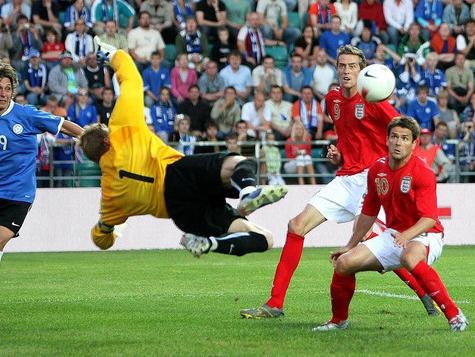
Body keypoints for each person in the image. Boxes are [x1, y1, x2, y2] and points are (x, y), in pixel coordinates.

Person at [240, 45, 438, 319]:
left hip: (370, 178)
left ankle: (422, 291)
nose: (346, 71)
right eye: (342, 65)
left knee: (369, 238)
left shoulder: (375, 100)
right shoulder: (332, 100)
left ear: (363, 70)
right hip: (345, 177)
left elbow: (405, 135)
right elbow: (349, 137)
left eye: (352, 66)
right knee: (296, 226)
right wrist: (339, 153)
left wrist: (400, 173)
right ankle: (274, 304)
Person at [80, 37, 288, 259]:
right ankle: (247, 192)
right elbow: (132, 79)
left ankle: (211, 243)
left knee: (264, 238)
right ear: (107, 141)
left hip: (180, 212)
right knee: (239, 162)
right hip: (178, 174)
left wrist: (108, 228)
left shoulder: (110, 196)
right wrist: (112, 55)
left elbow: (100, 240)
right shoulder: (121, 130)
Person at [313, 116, 467, 332]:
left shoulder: (423, 172)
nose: (398, 142)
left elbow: (430, 218)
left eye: (404, 138)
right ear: (387, 140)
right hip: (394, 235)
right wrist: (350, 245)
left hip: (425, 234)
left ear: (414, 144)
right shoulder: (377, 170)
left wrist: (407, 236)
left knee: (409, 257)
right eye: (394, 136)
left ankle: (454, 315)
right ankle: (338, 321)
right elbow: (368, 212)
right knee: (344, 264)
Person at [0, 62, 83, 264]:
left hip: (18, 194)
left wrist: (89, 137)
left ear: (12, 91)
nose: (3, 93)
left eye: (7, 89)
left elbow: (62, 125)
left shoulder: (26, 115)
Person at [283, 120, 317, 185]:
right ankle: (301, 184)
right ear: (294, 130)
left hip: (305, 164)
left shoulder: (307, 140)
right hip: (291, 165)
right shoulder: (289, 141)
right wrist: (296, 155)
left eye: (301, 129)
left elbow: (309, 154)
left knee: (306, 157)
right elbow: (288, 158)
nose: (299, 130)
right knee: (300, 157)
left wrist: (303, 153)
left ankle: (314, 184)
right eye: (297, 129)